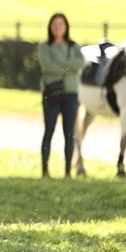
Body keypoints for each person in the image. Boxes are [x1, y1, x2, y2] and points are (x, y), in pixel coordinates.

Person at [37, 12, 82, 178]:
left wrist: (60, 66)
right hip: (51, 92)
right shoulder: (44, 47)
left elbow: (80, 64)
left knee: (69, 133)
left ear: (66, 27)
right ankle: (45, 170)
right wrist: (69, 68)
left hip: (71, 94)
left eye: (61, 24)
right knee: (49, 131)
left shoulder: (73, 46)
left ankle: (67, 171)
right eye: (55, 24)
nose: (58, 28)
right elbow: (47, 67)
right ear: (50, 27)